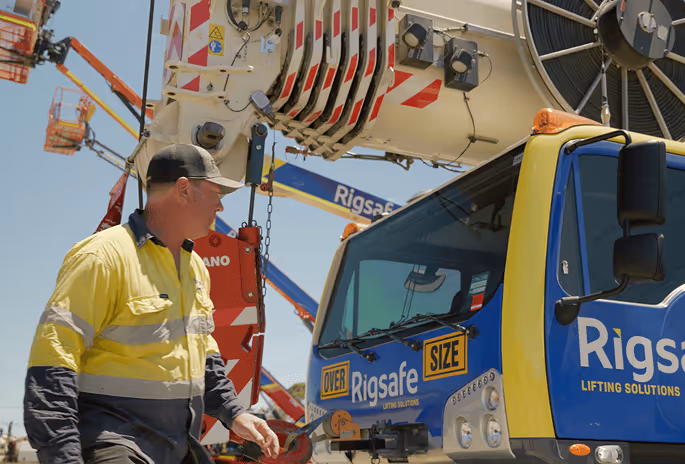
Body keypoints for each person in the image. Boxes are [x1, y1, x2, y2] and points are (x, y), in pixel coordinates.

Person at [23, 144, 280, 464]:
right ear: (184, 189)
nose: (220, 207)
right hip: (115, 443)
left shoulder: (195, 267)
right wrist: (64, 457)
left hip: (176, 446)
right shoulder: (101, 257)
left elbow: (205, 357)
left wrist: (235, 414)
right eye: (216, 194)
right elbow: (52, 365)